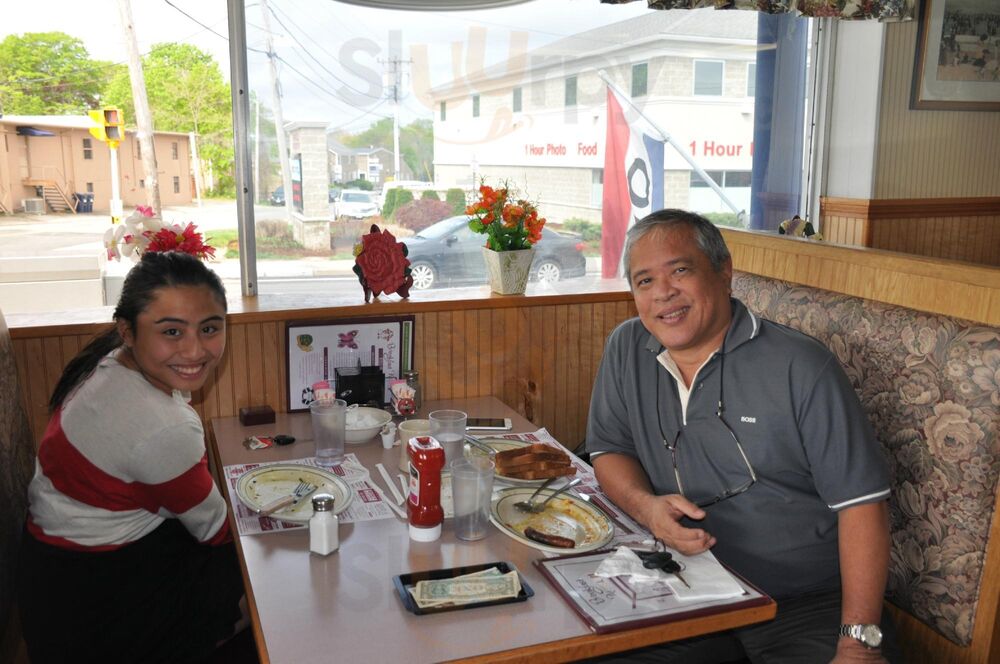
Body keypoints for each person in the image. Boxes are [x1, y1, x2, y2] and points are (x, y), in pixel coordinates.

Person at [586, 210, 899, 663]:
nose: (664, 294)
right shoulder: (626, 347)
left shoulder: (802, 367)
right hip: (680, 584)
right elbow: (610, 448)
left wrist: (856, 641)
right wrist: (647, 508)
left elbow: (863, 505)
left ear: (725, 271)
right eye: (644, 281)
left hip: (805, 603)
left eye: (680, 271)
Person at [17, 251, 247, 663]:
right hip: (95, 611)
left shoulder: (109, 363)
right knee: (259, 571)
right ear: (127, 330)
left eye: (210, 328)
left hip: (50, 576)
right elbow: (216, 530)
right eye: (172, 332)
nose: (196, 350)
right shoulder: (162, 425)